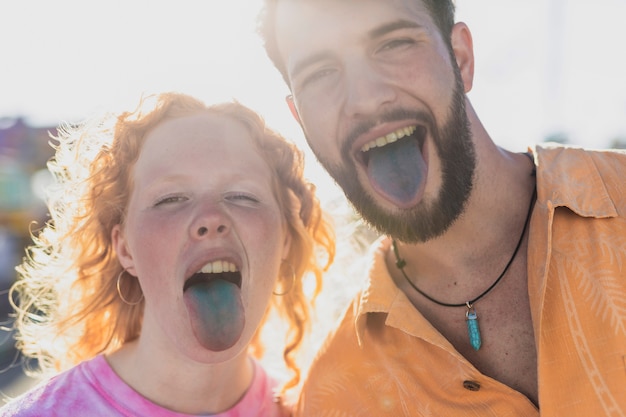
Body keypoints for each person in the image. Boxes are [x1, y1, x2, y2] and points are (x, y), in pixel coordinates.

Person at [258, 0, 626, 415]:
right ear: (300, 119)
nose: (365, 98)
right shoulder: (333, 399)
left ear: (461, 58)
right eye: (320, 73)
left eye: (393, 44)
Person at [2, 92, 334, 416]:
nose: (210, 219)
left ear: (286, 239)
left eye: (241, 195)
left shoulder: (314, 409)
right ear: (125, 248)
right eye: (171, 199)